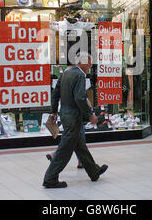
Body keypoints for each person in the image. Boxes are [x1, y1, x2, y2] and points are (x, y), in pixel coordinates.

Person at [42, 53, 108, 188]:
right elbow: (80, 98)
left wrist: (54, 111)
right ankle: (50, 179)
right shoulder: (79, 75)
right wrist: (90, 115)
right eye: (89, 63)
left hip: (65, 115)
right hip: (73, 117)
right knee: (64, 150)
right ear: (83, 62)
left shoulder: (66, 72)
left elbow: (56, 93)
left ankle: (94, 171)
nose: (90, 66)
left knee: (80, 146)